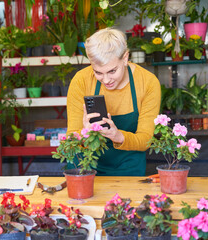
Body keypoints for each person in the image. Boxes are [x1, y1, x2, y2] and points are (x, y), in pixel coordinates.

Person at [66, 28, 161, 176]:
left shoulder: (147, 82)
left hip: (128, 167)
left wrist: (118, 136)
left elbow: (146, 140)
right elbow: (70, 141)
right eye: (98, 72)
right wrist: (84, 133)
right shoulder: (81, 81)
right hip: (86, 166)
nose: (106, 80)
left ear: (125, 58)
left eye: (112, 71)